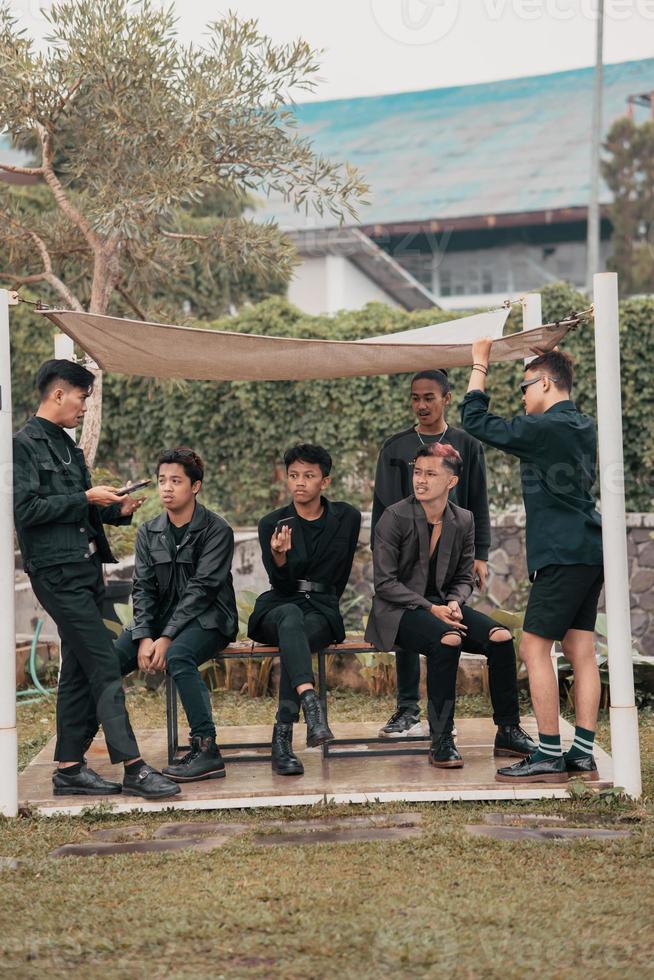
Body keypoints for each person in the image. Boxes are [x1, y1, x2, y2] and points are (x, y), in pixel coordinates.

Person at [13, 359, 179, 799]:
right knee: (105, 664)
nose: (85, 407)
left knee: (76, 673)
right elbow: (26, 512)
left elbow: (81, 510)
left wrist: (113, 509)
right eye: (83, 397)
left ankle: (68, 770)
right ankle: (135, 768)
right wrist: (85, 495)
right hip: (55, 573)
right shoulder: (21, 445)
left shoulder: (69, 448)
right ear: (59, 394)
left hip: (86, 570)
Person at [461, 343, 604, 784]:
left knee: (534, 648)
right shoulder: (584, 425)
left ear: (544, 383)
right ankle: (580, 752)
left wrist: (480, 364)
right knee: (581, 651)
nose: (522, 396)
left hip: (559, 554)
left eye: (525, 386)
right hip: (589, 551)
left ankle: (545, 751)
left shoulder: (544, 427)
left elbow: (475, 421)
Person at [366, 443, 535, 765]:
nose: (421, 480)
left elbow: (463, 576)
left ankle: (508, 731)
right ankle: (441, 739)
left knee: (500, 638)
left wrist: (456, 601)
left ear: (451, 481)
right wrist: (431, 609)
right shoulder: (395, 517)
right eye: (417, 472)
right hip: (399, 610)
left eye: (431, 474)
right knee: (449, 639)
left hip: (444, 607)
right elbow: (385, 583)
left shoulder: (463, 520)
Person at [371, 369, 491, 738]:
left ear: (447, 398)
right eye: (415, 398)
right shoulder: (395, 447)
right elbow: (381, 505)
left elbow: (479, 500)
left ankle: (443, 717)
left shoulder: (467, 444)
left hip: (452, 551)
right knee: (409, 615)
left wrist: (480, 554)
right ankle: (407, 709)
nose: (421, 405)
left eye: (429, 397)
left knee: (451, 623)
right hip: (405, 552)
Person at [112, 448, 238, 783]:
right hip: (160, 622)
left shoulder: (217, 530)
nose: (166, 488)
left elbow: (202, 589)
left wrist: (166, 638)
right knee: (107, 662)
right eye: (162, 480)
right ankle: (79, 748)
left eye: (176, 481)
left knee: (180, 655)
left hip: (211, 618)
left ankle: (206, 748)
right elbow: (142, 589)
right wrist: (143, 636)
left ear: (195, 486)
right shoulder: (149, 531)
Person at [248, 444, 361, 776]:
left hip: (322, 611)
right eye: (293, 475)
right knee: (290, 619)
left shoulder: (347, 517)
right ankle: (311, 708)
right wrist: (280, 557)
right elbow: (280, 584)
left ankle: (282, 740)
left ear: (324, 482)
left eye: (308, 476)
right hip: (278, 606)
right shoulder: (272, 523)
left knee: (293, 634)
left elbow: (338, 574)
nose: (299, 482)